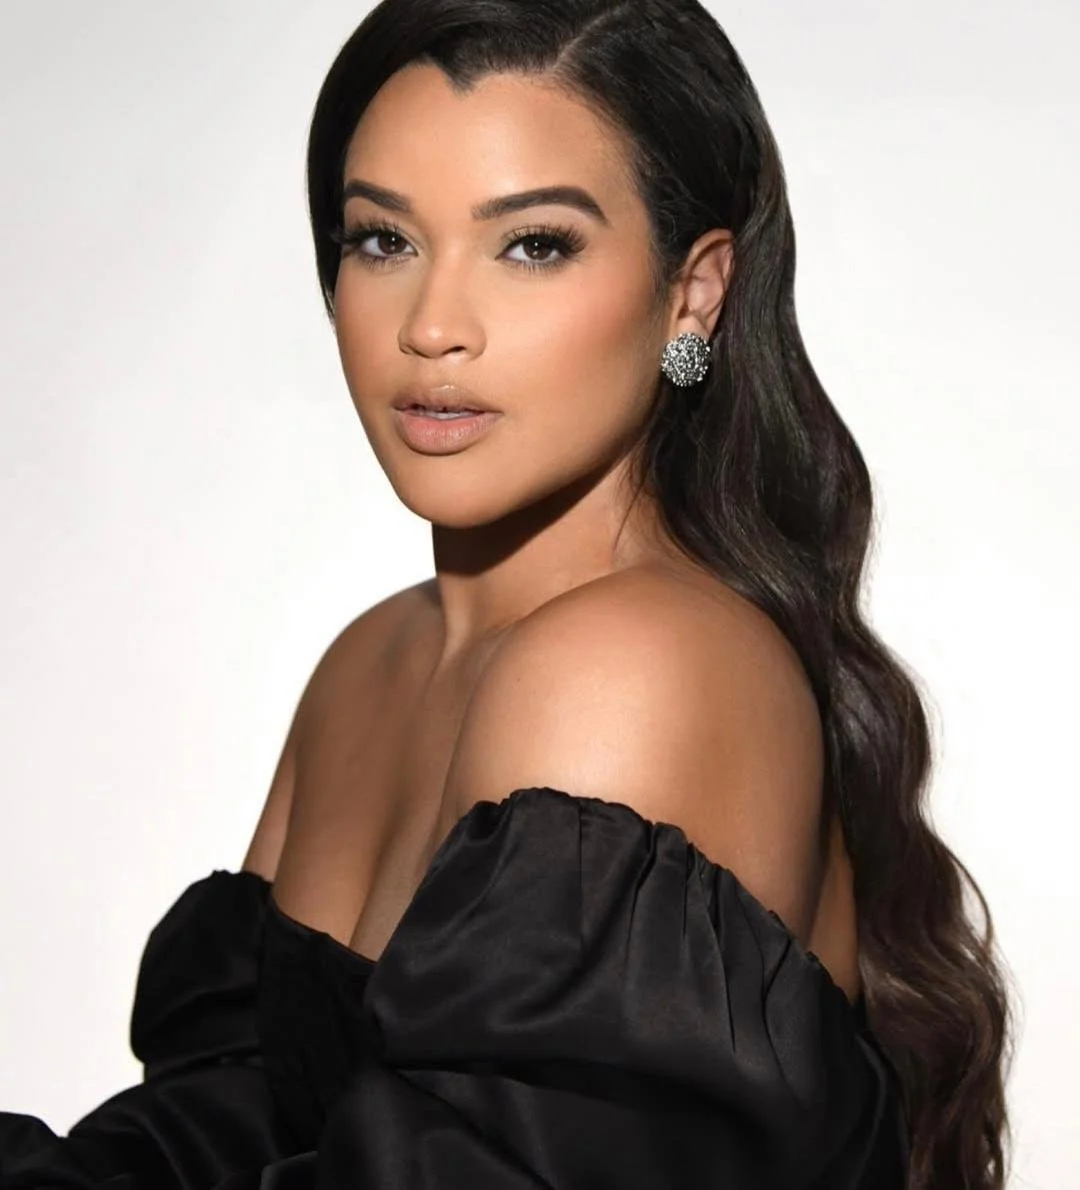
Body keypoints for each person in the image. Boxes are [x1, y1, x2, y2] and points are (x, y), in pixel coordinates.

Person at [0, 0, 1013, 1187]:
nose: (432, 326)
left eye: (533, 243)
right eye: (383, 239)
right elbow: (226, 1126)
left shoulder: (639, 662)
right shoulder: (371, 661)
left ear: (694, 292)